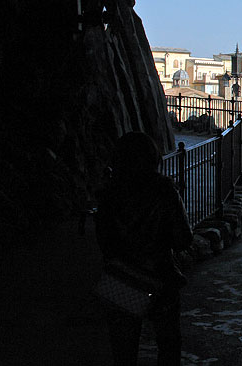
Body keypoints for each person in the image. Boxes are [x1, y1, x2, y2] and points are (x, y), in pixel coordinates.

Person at [96, 132, 193, 366]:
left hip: (122, 277)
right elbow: (183, 238)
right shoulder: (164, 191)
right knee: (168, 344)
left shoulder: (109, 193)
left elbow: (104, 240)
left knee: (124, 348)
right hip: (160, 276)